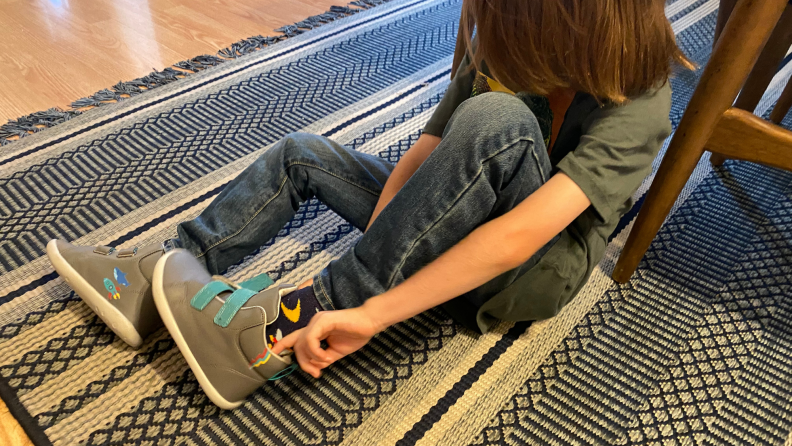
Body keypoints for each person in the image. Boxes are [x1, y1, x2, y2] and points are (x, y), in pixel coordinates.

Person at [47, 0, 691, 410]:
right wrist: (389, 231)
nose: (487, 43)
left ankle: (280, 332)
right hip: (467, 206)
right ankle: (163, 276)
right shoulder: (503, 32)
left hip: (527, 272)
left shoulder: (641, 96)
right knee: (302, 154)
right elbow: (426, 151)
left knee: (497, 117)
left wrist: (372, 308)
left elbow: (518, 236)